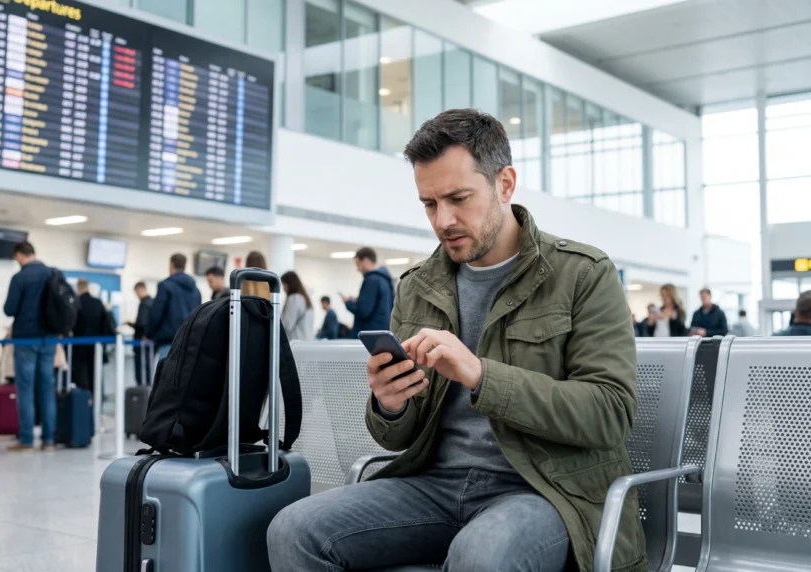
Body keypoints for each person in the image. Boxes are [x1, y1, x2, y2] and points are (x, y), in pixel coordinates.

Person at [268, 109, 643, 572]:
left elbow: (610, 413)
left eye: (458, 198)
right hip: (435, 485)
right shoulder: (418, 285)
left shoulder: (583, 274)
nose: (443, 220)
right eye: (429, 204)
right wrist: (390, 404)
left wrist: (482, 376)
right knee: (293, 530)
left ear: (505, 184)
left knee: (481, 557)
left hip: (542, 491)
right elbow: (397, 437)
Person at [2, 241, 57, 452]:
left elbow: (9, 309)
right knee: (47, 388)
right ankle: (49, 439)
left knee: (25, 389)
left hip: (26, 339)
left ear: (20, 255)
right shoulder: (52, 273)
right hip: (49, 338)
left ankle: (26, 439)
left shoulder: (20, 277)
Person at [146, 253, 201, 360]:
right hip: (189, 343)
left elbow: (156, 313)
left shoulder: (165, 286)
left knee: (166, 375)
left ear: (171, 265)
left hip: (169, 341)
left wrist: (148, 333)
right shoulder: (196, 291)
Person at [71, 278, 112, 393]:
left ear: (77, 288)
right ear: (88, 287)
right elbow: (106, 325)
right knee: (96, 376)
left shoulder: (76, 302)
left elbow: (72, 324)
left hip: (79, 347)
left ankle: (84, 404)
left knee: (81, 377)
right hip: (96, 347)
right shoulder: (98, 303)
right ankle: (96, 403)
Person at [342, 247, 394, 338]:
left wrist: (348, 303)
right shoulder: (385, 280)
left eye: (358, 264)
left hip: (369, 335)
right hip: (382, 332)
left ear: (365, 261)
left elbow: (363, 311)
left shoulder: (372, 280)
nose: (357, 269)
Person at [127, 282, 154, 386]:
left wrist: (131, 324)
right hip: (149, 342)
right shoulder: (153, 302)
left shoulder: (144, 304)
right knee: (148, 369)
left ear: (139, 290)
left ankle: (141, 393)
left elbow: (141, 323)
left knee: (141, 370)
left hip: (141, 342)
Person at [280, 271, 314, 342]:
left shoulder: (294, 298)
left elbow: (288, 325)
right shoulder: (305, 299)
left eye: (284, 284)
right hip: (307, 340)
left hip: (295, 342)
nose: (283, 288)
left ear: (290, 284)